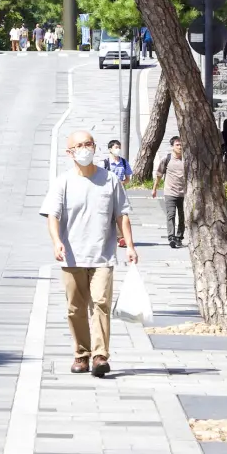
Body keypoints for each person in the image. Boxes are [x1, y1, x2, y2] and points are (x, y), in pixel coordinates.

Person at [42, 129, 138, 378]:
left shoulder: (110, 180)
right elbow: (52, 215)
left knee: (100, 304)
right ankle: (81, 354)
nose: (84, 149)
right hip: (72, 256)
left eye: (89, 144)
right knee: (75, 308)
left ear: (95, 148)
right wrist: (56, 242)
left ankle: (100, 356)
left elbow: (122, 215)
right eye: (79, 145)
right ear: (69, 152)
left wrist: (130, 245)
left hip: (103, 256)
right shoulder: (63, 182)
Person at [152, 135, 187, 249]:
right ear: (172, 146)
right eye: (177, 145)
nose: (180, 147)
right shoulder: (167, 159)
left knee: (182, 216)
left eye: (181, 144)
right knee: (171, 215)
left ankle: (179, 237)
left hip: (184, 193)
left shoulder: (187, 159)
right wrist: (154, 189)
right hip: (170, 192)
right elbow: (159, 175)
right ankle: (171, 237)